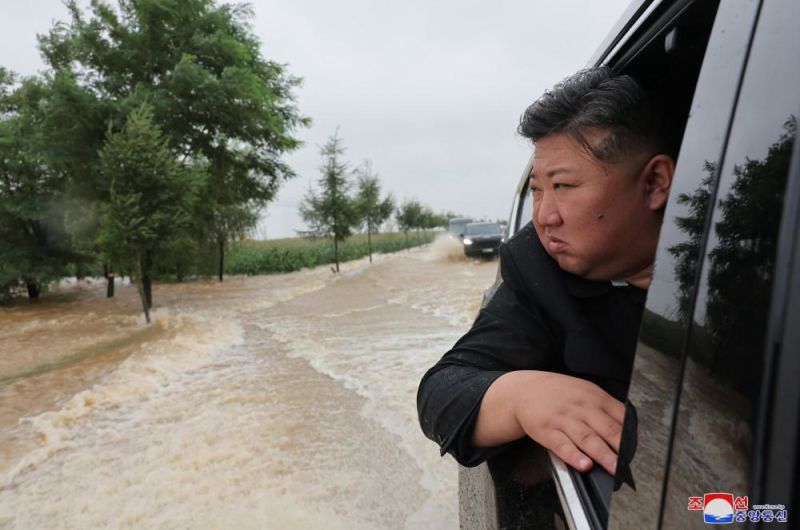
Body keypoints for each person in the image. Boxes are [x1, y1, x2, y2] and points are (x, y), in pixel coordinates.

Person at [416, 66, 677, 476]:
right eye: (537, 190)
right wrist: (520, 396)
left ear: (655, 184)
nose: (543, 217)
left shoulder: (747, 269)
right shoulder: (538, 270)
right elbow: (441, 393)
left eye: (564, 187)